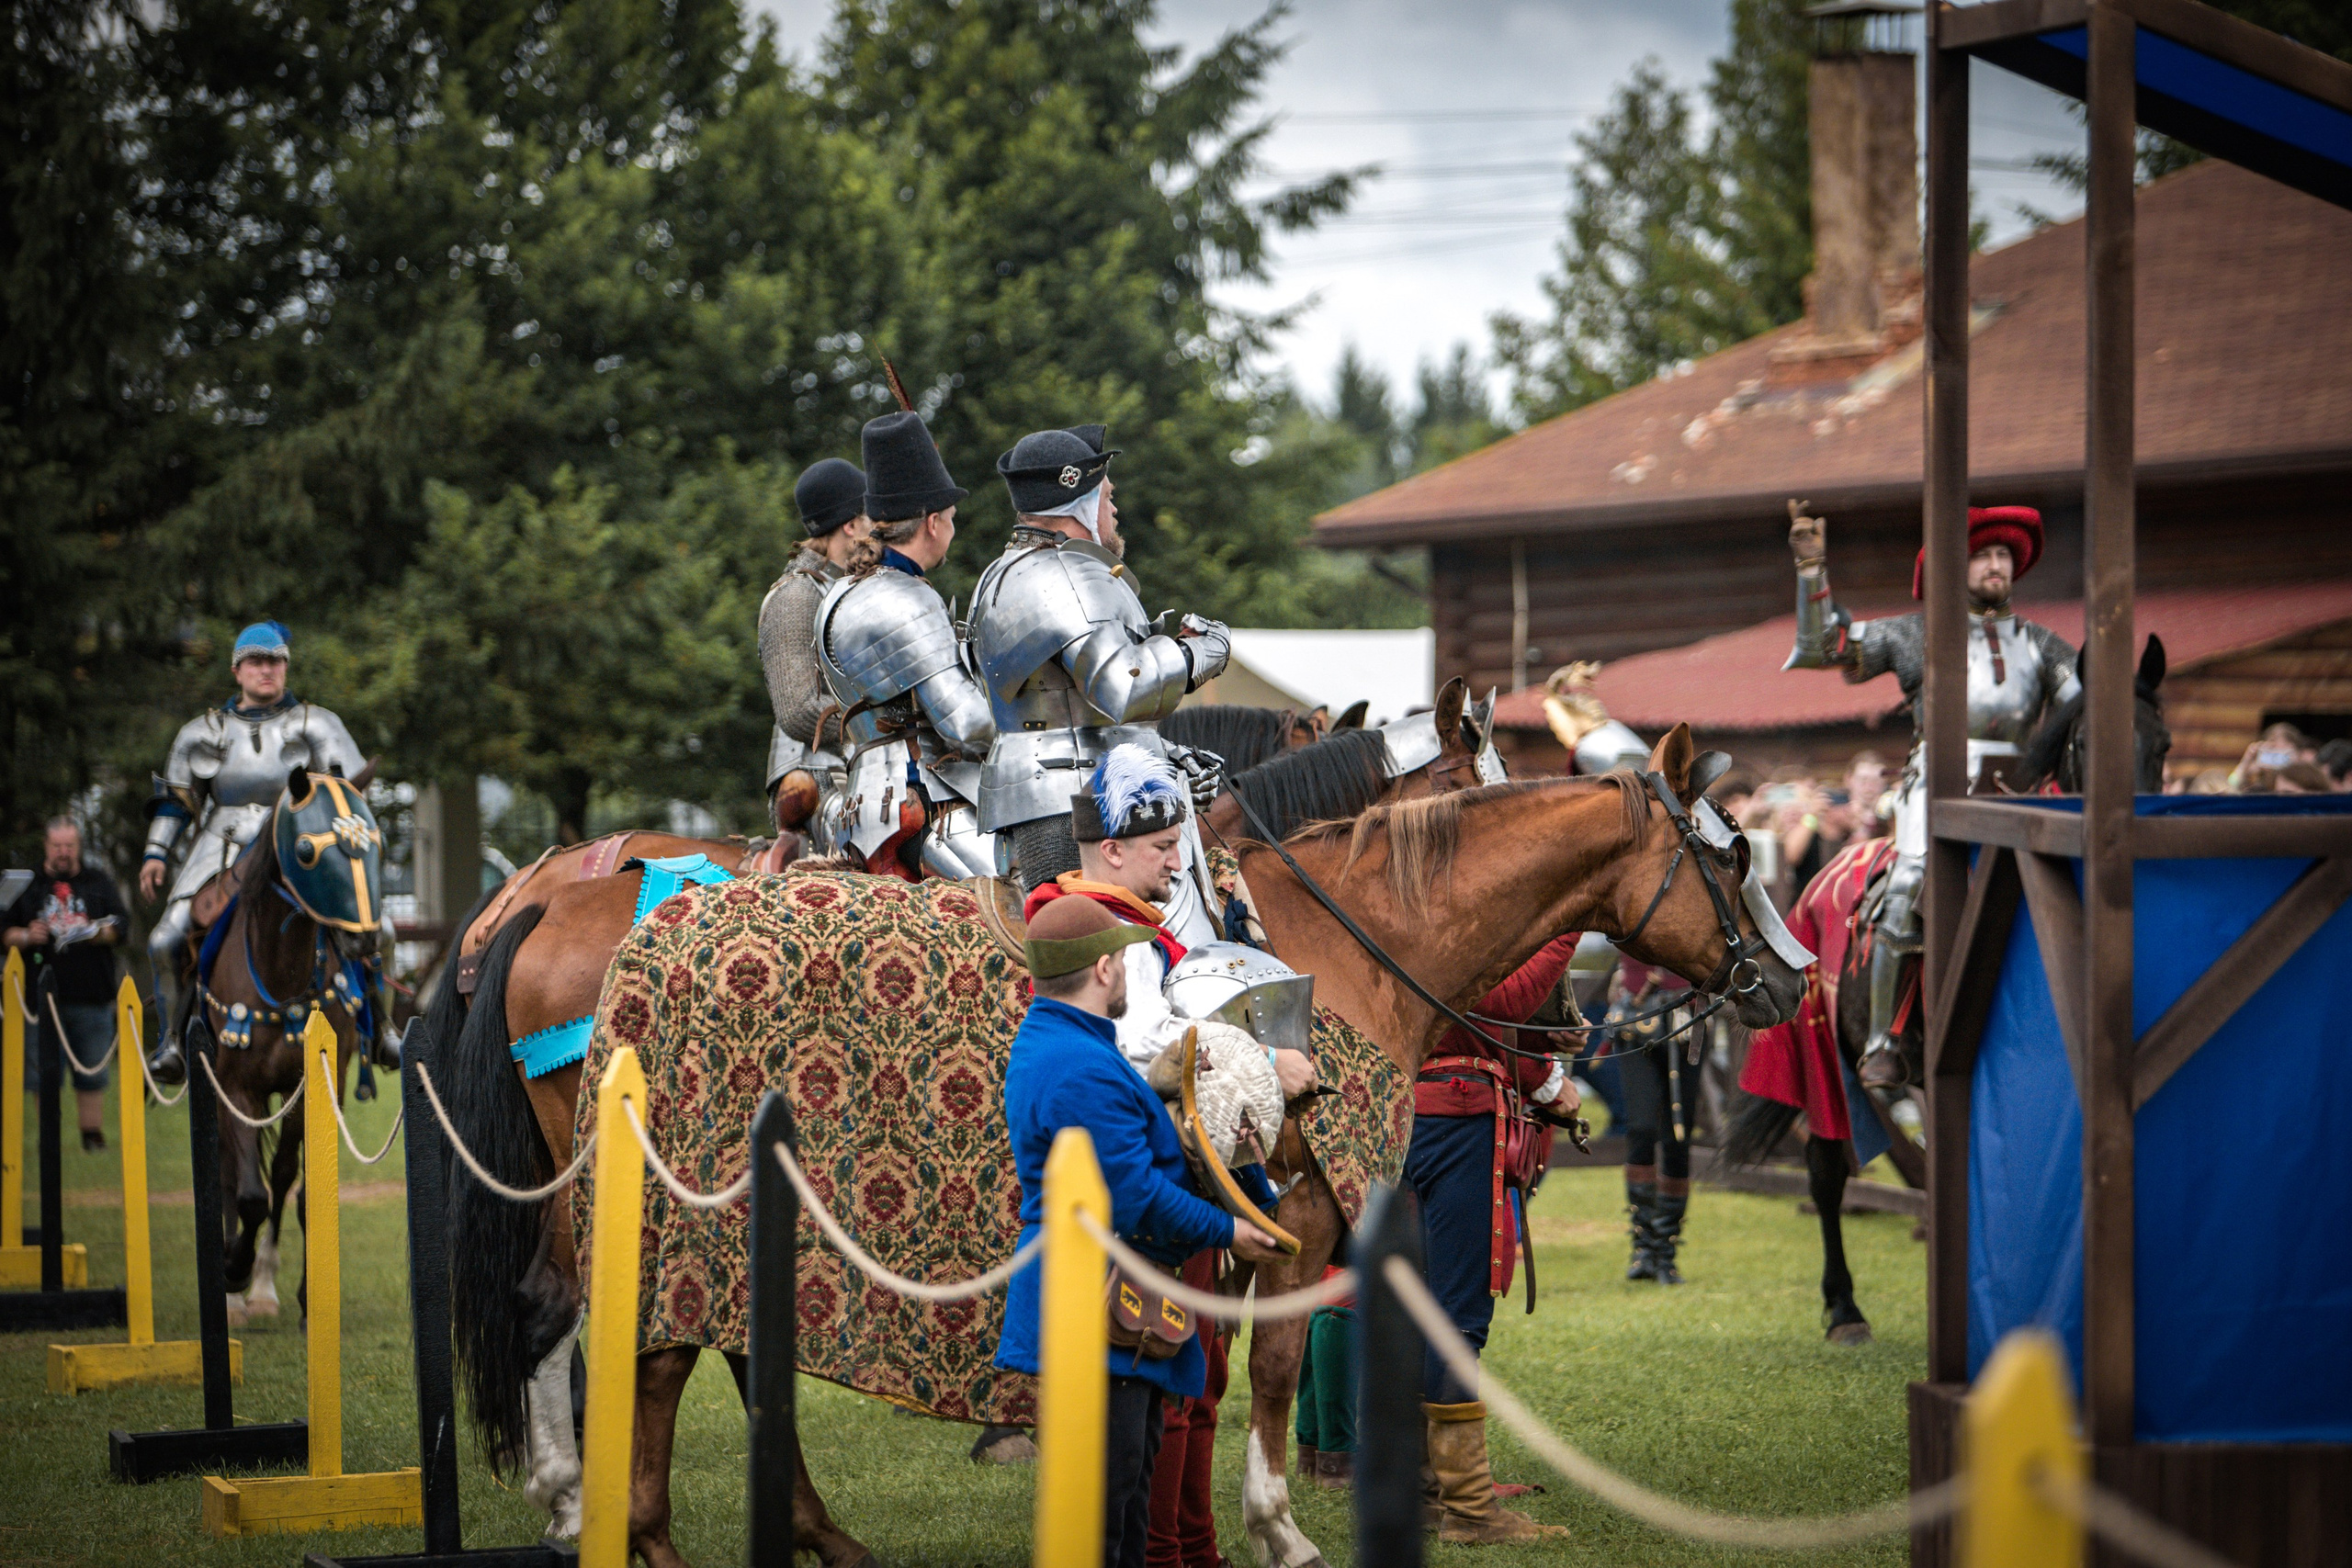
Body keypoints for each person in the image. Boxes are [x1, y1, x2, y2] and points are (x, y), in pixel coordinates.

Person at [1021, 743, 1315, 1568]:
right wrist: (1257, 1059)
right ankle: (1165, 1551)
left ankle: (1188, 1545)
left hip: (1167, 1188)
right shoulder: (1092, 931)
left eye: (1179, 844)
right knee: (1150, 1401)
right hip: (1131, 1211)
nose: (1178, 863)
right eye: (1162, 848)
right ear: (1111, 849)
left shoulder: (1143, 929)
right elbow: (1134, 1043)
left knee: (1188, 1381)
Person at [996, 895, 1287, 1568]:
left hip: (1114, 1316)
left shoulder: (1075, 1046)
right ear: (1103, 968)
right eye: (1125, 958)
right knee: (1103, 1524)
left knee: (1124, 1510)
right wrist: (1230, 1231)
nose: (1130, 970)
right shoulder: (1079, 1065)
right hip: (1096, 1318)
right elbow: (1133, 1198)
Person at [1784, 501, 2079, 1088]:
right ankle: (1884, 1040)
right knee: (1907, 884)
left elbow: (2086, 704)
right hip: (1936, 785)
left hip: (2021, 790)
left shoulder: (2042, 644)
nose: (1996, 565)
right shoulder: (1917, 633)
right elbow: (1827, 648)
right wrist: (1812, 572)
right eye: (1982, 555)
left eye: (2003, 555)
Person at [965, 425, 1231, 933]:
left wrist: (1165, 757)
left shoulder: (1000, 574)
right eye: (1107, 498)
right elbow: (1124, 687)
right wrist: (1203, 650)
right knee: (1131, 962)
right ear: (1079, 502)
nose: (1114, 511)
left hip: (1049, 788)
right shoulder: (1071, 576)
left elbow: (1070, 705)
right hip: (1083, 802)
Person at [1407, 932, 1580, 1545]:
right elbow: (1498, 1004)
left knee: (1419, 1312)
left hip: (1408, 1110)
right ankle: (1470, 1508)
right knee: (1457, 1315)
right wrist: (1567, 924)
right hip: (1453, 1117)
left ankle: (1424, 1490)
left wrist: (1539, 1059)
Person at [140, 621, 367, 1082]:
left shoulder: (318, 725)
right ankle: (171, 1042)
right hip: (220, 850)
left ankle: (377, 1028)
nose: (267, 670)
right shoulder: (201, 732)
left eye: (276, 661)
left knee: (365, 930)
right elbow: (177, 801)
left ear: (286, 666)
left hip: (296, 847)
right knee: (165, 939)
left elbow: (350, 795)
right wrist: (156, 853)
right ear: (237, 670)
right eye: (257, 662)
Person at [810, 411, 997, 880]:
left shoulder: (838, 592)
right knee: (1033, 903)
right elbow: (968, 725)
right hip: (925, 806)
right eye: (951, 520)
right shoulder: (908, 598)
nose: (953, 531)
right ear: (932, 523)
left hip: (855, 810)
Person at [758, 457, 875, 839]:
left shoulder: (843, 588)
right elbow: (798, 711)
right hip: (813, 781)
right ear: (851, 524)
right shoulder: (796, 595)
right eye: (870, 517)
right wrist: (880, 721)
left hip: (855, 768)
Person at [4, 818, 129, 1150]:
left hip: (91, 995)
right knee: (43, 1073)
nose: (63, 853)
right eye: (57, 846)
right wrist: (28, 935)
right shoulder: (28, 884)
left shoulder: (98, 882)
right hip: (38, 999)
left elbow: (122, 926)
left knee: (91, 1070)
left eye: (69, 846)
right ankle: (49, 1136)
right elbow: (4, 931)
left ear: (78, 847)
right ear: (46, 846)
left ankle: (92, 1136)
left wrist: (95, 932)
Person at [1606, 956, 1706, 1284]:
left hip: (1687, 1016)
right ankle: (1644, 1249)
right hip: (1636, 1014)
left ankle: (1666, 1253)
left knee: (1679, 1138)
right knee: (1640, 1128)